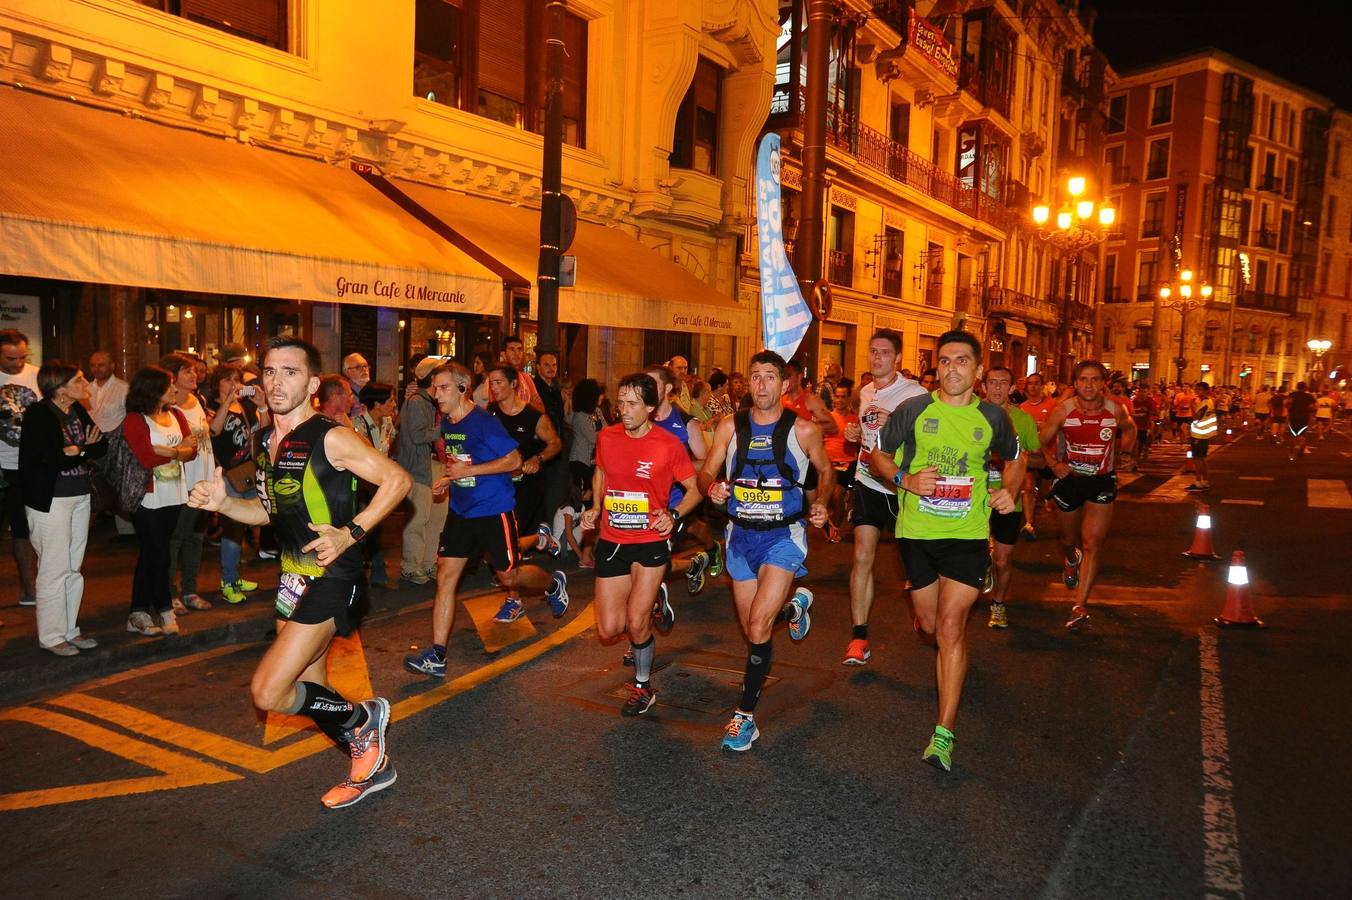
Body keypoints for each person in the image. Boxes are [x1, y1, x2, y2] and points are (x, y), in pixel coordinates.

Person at [190, 336, 411, 809]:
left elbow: (398, 480)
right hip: (293, 577)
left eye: (289, 372)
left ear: (311, 384)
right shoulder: (268, 440)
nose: (276, 381)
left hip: (335, 576)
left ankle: (361, 721)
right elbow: (269, 513)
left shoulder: (330, 435)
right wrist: (226, 503)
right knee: (312, 688)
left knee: (268, 690)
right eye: (269, 372)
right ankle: (370, 761)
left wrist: (351, 532)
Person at [872, 330, 1024, 772]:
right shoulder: (914, 409)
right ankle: (937, 614)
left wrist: (1009, 491)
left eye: (961, 361)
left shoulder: (993, 418)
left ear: (977, 372)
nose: (951, 368)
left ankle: (943, 732)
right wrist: (905, 479)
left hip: (967, 534)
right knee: (930, 626)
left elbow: (1015, 458)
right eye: (943, 361)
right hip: (916, 535)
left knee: (952, 627)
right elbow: (877, 456)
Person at [698, 350, 832, 751]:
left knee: (758, 626)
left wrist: (822, 502)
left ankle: (745, 716)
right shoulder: (729, 426)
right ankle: (794, 608)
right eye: (755, 377)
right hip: (740, 536)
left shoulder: (803, 431)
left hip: (782, 536)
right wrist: (712, 487)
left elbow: (826, 470)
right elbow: (707, 468)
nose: (761, 385)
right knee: (754, 629)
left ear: (784, 383)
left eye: (769, 377)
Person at [404, 363, 568, 678]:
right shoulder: (449, 422)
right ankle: (437, 654)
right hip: (462, 512)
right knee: (445, 577)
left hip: (494, 510)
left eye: (443, 388)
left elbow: (514, 460)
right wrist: (449, 479)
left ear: (463, 389)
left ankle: (551, 584)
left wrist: (470, 472)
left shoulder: (484, 423)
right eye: (435, 388)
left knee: (509, 577)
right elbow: (462, 459)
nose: (437, 394)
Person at [580, 373, 700, 716]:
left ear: (650, 407)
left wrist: (673, 515)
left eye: (632, 404)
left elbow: (694, 490)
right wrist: (596, 506)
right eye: (620, 402)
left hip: (650, 540)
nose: (624, 410)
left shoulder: (667, 444)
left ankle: (643, 686)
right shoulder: (607, 437)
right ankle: (653, 602)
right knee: (608, 629)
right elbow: (601, 471)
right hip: (613, 539)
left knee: (636, 622)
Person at [841, 330, 927, 665]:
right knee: (862, 555)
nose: (877, 358)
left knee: (914, 562)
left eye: (885, 353)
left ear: (898, 359)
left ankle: (926, 608)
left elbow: (927, 438)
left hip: (902, 486)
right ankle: (858, 637)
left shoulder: (915, 394)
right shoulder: (865, 391)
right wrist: (855, 433)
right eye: (873, 351)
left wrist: (897, 424)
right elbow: (868, 432)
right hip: (868, 481)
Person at [1040, 360, 1136, 629]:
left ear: (1103, 383)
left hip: (1102, 481)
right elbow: (1038, 440)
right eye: (1084, 379)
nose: (1089, 384)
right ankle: (1071, 559)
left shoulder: (1115, 410)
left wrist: (1126, 452)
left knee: (1092, 542)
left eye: (1095, 379)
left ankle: (1079, 605)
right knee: (1068, 539)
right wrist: (1054, 464)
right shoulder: (1063, 411)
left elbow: (1130, 429)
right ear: (1076, 383)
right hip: (1070, 480)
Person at [20, 362, 106, 655]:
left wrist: (76, 450)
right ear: (60, 387)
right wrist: (81, 449)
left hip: (79, 495)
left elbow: (101, 445)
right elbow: (52, 460)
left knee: (73, 567)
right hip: (50, 500)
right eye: (79, 380)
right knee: (54, 568)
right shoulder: (39, 414)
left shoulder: (76, 410)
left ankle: (70, 629)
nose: (86, 384)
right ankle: (51, 635)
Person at [122, 366, 197, 636]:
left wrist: (168, 450)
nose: (175, 390)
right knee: (160, 554)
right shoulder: (134, 420)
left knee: (152, 553)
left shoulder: (176, 414)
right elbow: (146, 457)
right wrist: (178, 451)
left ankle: (138, 613)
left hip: (174, 495)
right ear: (154, 390)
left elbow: (193, 450)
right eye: (170, 386)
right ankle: (165, 610)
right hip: (147, 497)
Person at [487, 365, 564, 576]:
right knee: (497, 534)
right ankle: (539, 540)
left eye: (499, 382)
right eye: (491, 382)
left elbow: (555, 443)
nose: (494, 387)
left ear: (513, 384)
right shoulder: (490, 412)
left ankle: (510, 576)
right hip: (498, 483)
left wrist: (537, 458)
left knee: (511, 535)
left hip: (527, 486)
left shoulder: (533, 416)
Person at [980, 367, 1042, 629]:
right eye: (992, 382)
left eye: (1003, 383)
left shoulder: (1023, 420)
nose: (996, 388)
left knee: (1003, 559)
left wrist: (1020, 455)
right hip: (975, 497)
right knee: (976, 554)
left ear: (1012, 388)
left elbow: (1040, 459)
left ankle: (998, 604)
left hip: (1009, 499)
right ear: (983, 386)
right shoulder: (970, 415)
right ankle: (981, 567)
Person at [206, 363, 267, 603]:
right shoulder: (210, 406)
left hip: (247, 472)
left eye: (237, 379)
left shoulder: (243, 406)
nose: (234, 383)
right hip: (228, 475)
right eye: (228, 379)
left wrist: (261, 405)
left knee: (242, 526)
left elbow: (262, 431)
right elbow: (214, 430)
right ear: (216, 383)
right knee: (232, 529)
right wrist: (227, 401)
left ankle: (234, 576)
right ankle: (228, 582)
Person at [160, 354, 215, 614]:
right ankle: (169, 592)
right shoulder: (168, 408)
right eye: (187, 372)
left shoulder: (197, 401)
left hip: (203, 478)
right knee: (176, 537)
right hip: (182, 481)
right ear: (172, 377)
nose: (194, 376)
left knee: (196, 537)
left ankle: (190, 589)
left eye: (194, 371)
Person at [397, 357, 449, 585]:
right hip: (419, 468)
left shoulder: (431, 401)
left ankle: (429, 564)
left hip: (435, 465)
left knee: (436, 519)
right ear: (433, 377)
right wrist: (443, 429)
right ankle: (411, 566)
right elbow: (418, 436)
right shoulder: (417, 402)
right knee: (418, 519)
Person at [0, 328, 41, 608]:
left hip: (31, 466)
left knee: (26, 530)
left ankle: (31, 589)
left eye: (21, 357)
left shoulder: (37, 375)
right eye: (10, 358)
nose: (17, 363)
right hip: (2, 464)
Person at [354, 382, 398, 588]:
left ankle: (378, 574)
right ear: (376, 404)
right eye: (389, 401)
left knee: (376, 530)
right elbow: (363, 454)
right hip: (363, 488)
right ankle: (361, 574)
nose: (393, 404)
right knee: (363, 530)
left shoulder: (388, 423)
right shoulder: (358, 424)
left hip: (381, 486)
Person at [85, 350, 133, 535]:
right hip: (92, 443)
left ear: (112, 366)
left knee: (117, 485)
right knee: (94, 484)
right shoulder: (86, 389)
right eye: (93, 365)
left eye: (101, 364)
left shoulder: (123, 388)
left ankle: (127, 531)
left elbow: (130, 417)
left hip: (115, 443)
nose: (96, 369)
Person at [1018, 372, 1059, 540]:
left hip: (1048, 455)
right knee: (1028, 487)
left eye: (1037, 383)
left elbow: (1058, 428)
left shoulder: (1053, 405)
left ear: (1042, 386)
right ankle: (1029, 524)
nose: (1033, 386)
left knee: (1043, 491)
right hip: (1029, 454)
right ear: (1026, 387)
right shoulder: (1023, 407)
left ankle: (1046, 497)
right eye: (1031, 383)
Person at [566, 378, 603, 502]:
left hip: (593, 460)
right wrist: (603, 434)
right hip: (580, 460)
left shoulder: (597, 411)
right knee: (583, 496)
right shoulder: (580, 415)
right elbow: (593, 438)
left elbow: (607, 430)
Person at [1185, 382, 1218, 491]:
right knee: (1203, 458)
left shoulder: (1204, 403)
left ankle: (1198, 481)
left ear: (1206, 391)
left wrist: (1191, 406)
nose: (1196, 391)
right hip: (1204, 433)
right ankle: (1205, 481)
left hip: (1199, 434)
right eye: (1196, 389)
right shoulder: (1209, 401)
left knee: (1197, 458)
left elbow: (1196, 417)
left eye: (1199, 389)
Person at [500, 335, 545, 413]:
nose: (516, 354)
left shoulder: (526, 378)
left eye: (519, 349)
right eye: (512, 349)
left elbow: (541, 408)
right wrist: (529, 405)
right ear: (503, 354)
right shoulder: (497, 378)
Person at [1285, 381, 1317, 457]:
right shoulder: (1309, 396)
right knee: (1302, 434)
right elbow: (1314, 406)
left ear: (1297, 387)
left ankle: (1291, 452)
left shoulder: (1292, 395)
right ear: (1305, 388)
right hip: (1304, 417)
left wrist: (1290, 409)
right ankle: (1302, 446)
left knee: (1293, 434)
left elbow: (1287, 404)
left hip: (1293, 416)